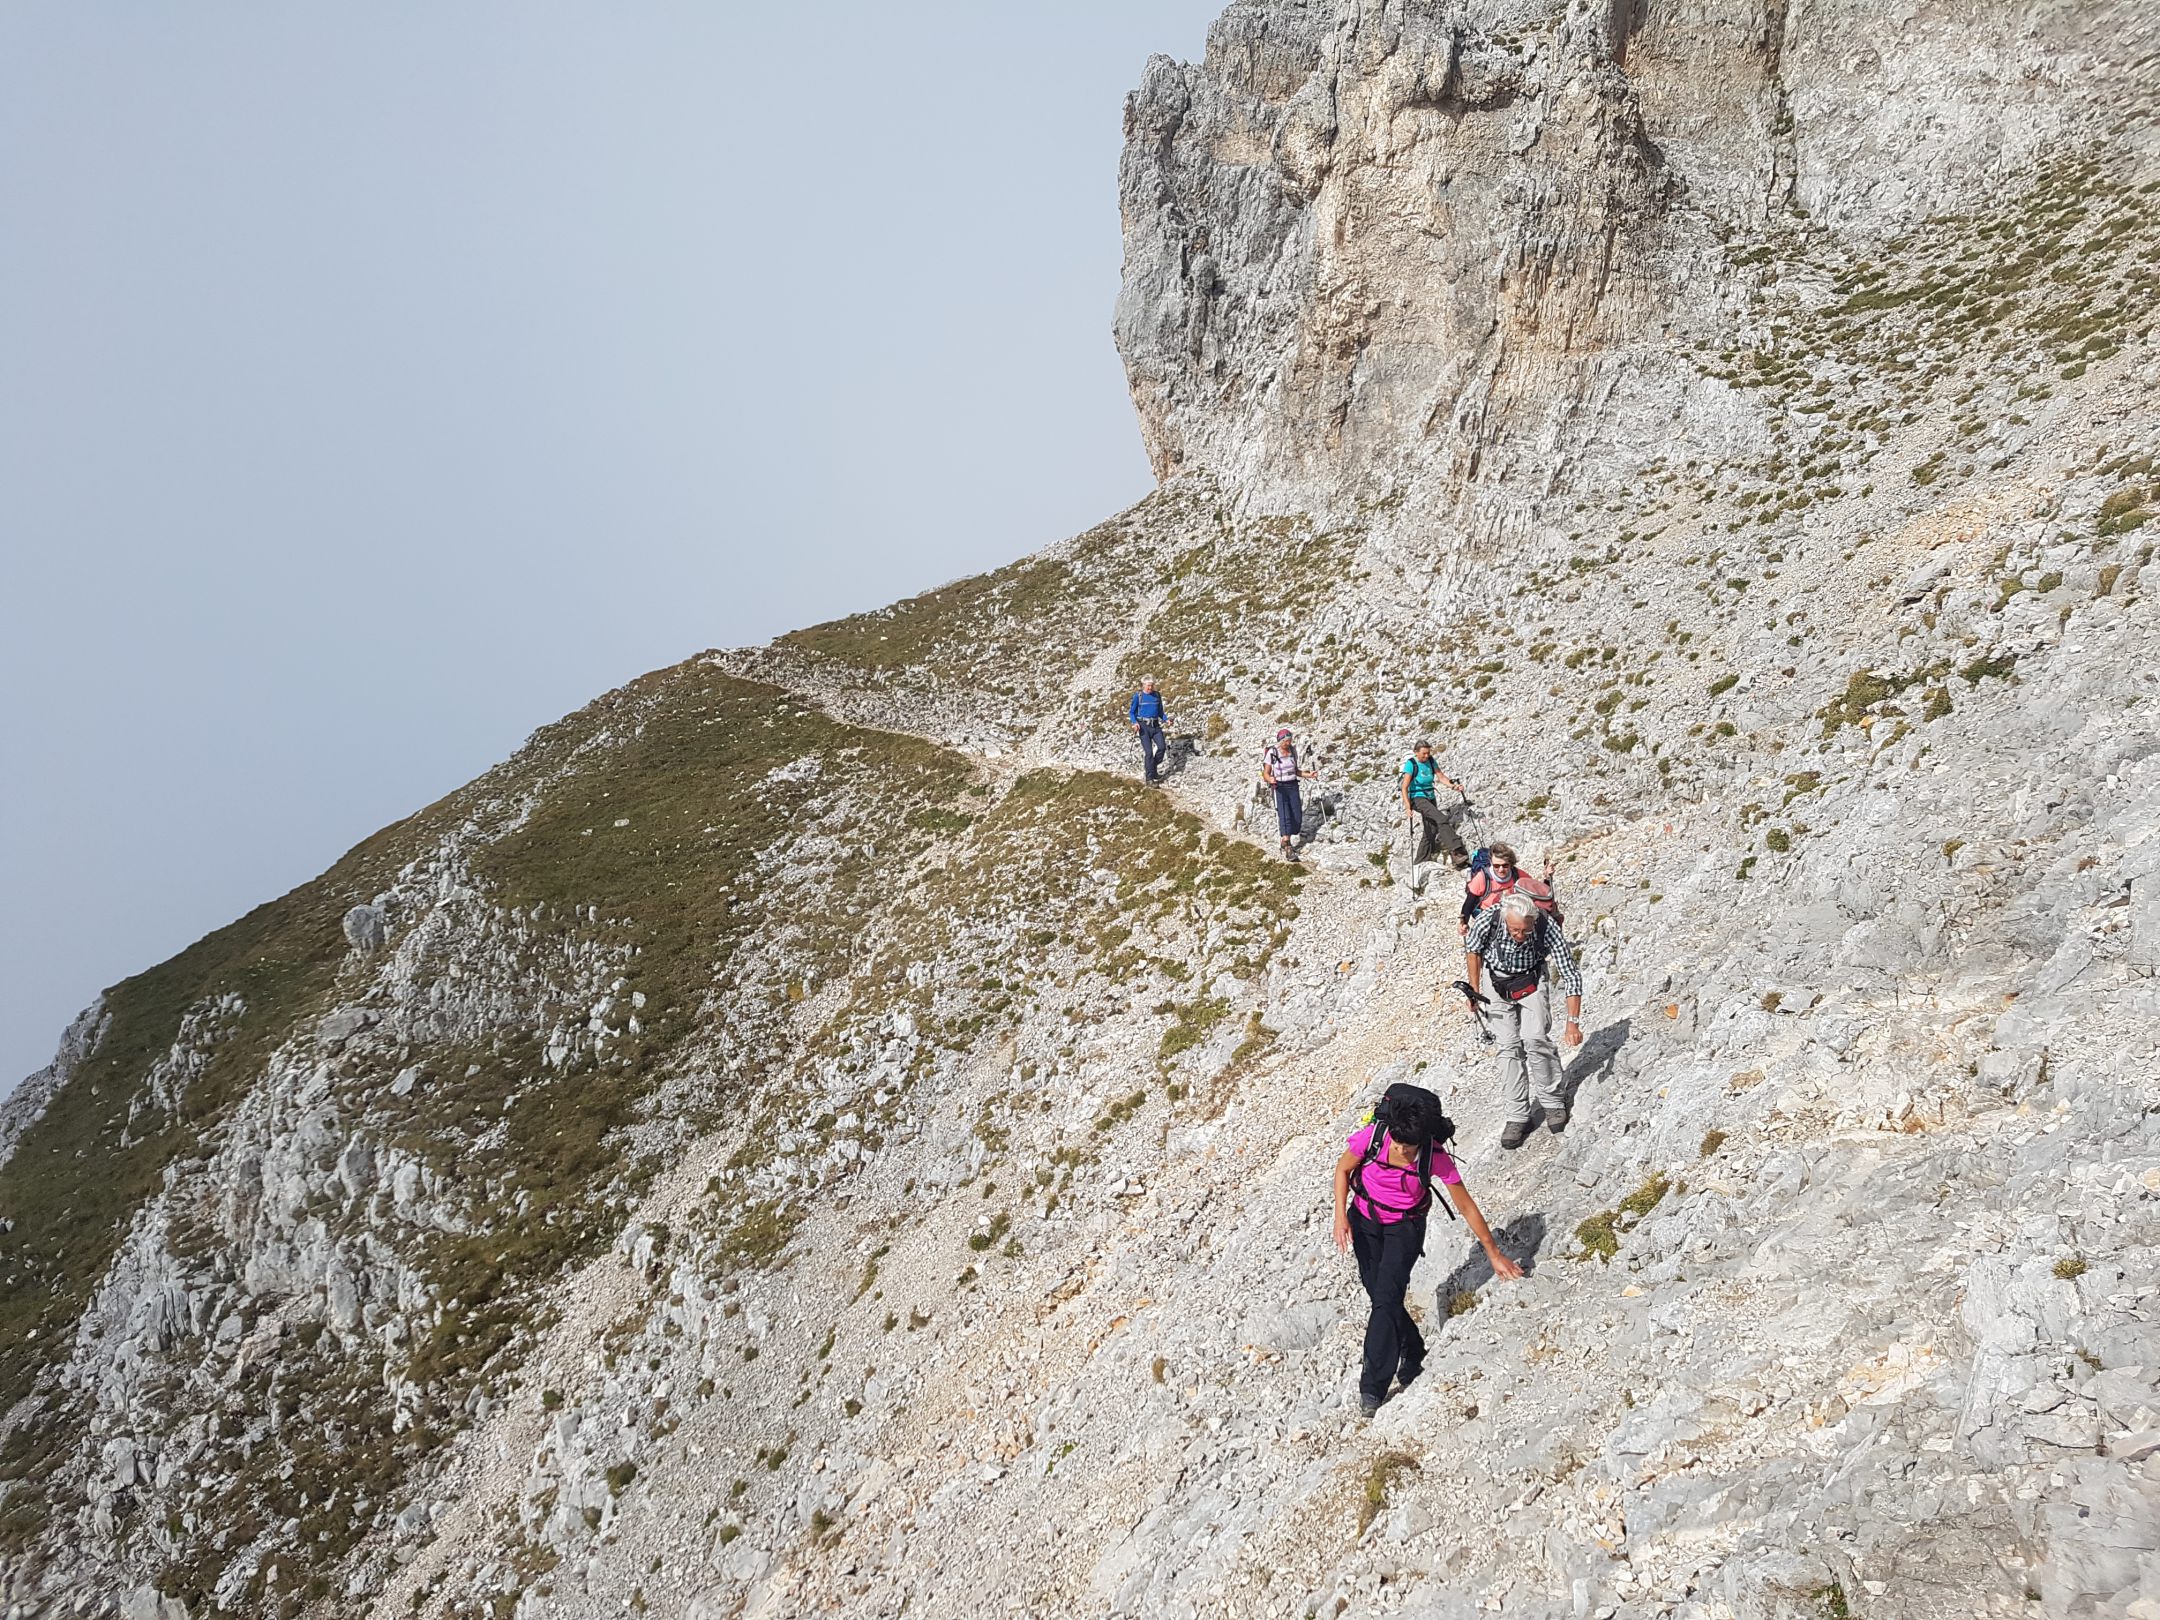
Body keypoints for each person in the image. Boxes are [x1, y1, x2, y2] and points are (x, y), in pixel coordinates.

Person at [1331, 1083, 1524, 1417]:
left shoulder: (1435, 1156)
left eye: (1409, 1148)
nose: (1402, 1152)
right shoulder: (1374, 1137)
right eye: (1399, 1145)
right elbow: (1343, 1169)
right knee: (1379, 1293)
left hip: (1404, 1228)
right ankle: (1413, 1350)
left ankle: (1372, 1387)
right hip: (1363, 1221)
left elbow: (1466, 1206)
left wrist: (1493, 1253)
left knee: (1386, 1298)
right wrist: (1340, 1216)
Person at [1462, 892, 1584, 1147]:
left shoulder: (1545, 925)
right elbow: (1473, 949)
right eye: (1515, 930)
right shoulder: (1490, 918)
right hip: (1496, 980)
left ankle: (1553, 1102)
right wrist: (1474, 990)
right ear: (1505, 920)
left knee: (1535, 1038)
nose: (1520, 936)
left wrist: (1572, 1022)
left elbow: (1570, 974)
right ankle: (1517, 1115)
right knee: (1508, 1046)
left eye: (1526, 931)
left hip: (1532, 979)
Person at [1458, 842, 1559, 939]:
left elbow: (1538, 895)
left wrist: (1547, 878)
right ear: (1491, 863)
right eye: (1496, 866)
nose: (1501, 869)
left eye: (1505, 865)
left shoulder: (1518, 875)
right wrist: (1464, 923)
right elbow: (1469, 903)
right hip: (1490, 919)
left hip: (1515, 917)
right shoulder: (1482, 878)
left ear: (1511, 864)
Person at [1398, 741, 1467, 869]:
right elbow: (1404, 787)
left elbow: (1441, 777)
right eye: (1423, 753)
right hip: (1417, 798)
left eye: (1428, 753)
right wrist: (1408, 807)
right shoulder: (1411, 764)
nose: (1426, 756)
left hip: (1430, 797)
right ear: (1416, 752)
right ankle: (1457, 851)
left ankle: (1420, 861)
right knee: (1441, 818)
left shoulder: (1430, 761)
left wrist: (1454, 786)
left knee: (1431, 828)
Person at [1259, 727, 1318, 861]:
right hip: (1279, 787)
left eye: (1290, 740)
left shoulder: (1292, 751)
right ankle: (1287, 845)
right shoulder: (1273, 753)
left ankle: (1286, 840)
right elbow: (1265, 773)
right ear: (1280, 741)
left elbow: (1296, 771)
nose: (1288, 743)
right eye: (1286, 741)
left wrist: (1309, 775)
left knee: (1297, 816)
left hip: (1293, 785)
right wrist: (1270, 779)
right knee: (1285, 815)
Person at [1128, 678, 1170, 786]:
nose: (1150, 688)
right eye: (1148, 685)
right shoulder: (1138, 696)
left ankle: (1152, 768)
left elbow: (1160, 711)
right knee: (1149, 753)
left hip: (1155, 725)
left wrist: (1166, 720)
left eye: (1152, 685)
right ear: (1143, 685)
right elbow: (1132, 712)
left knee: (1162, 747)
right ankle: (1149, 779)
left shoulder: (1157, 695)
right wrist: (1135, 723)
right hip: (1143, 727)